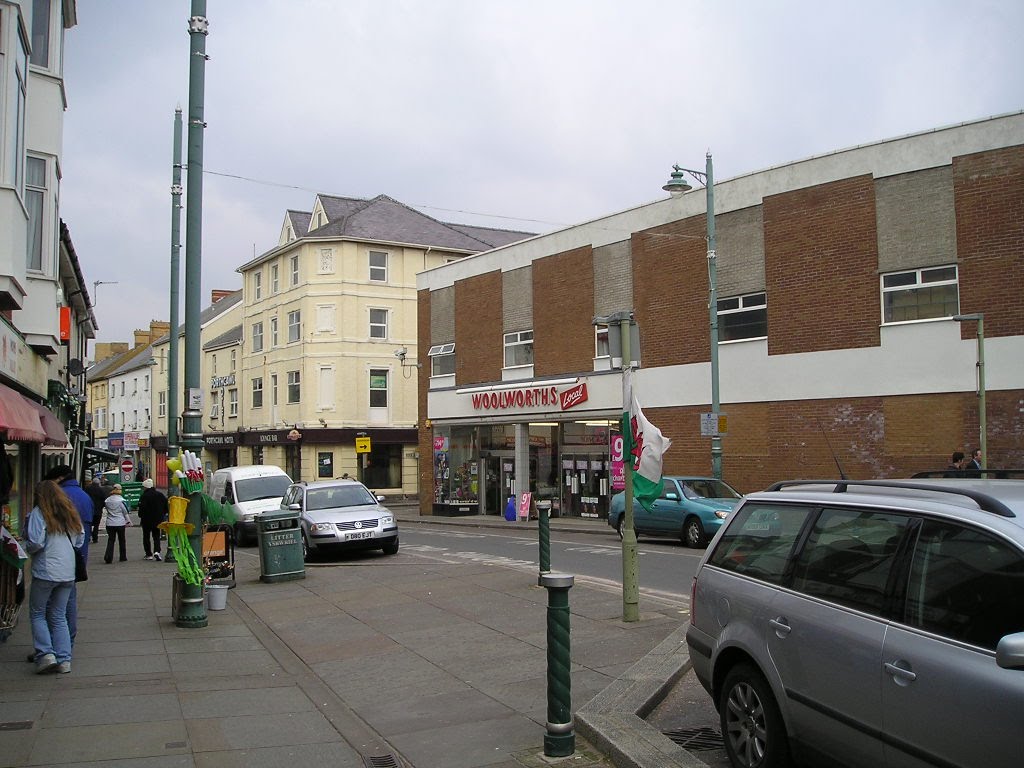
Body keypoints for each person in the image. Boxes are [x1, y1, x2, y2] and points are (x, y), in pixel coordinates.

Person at [25, 480, 84, 674]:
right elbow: (79, 539)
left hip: (46, 569)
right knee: (59, 615)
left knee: (37, 612)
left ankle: (45, 654)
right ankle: (64, 659)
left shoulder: (39, 513)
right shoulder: (69, 513)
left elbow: (35, 542)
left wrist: (28, 548)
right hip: (68, 570)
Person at [137, 478, 168, 561]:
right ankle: (157, 551)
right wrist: (162, 514)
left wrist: (140, 515)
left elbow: (141, 508)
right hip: (158, 519)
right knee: (156, 536)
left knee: (146, 537)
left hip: (146, 520)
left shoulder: (144, 496)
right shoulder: (160, 495)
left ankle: (148, 554)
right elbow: (166, 506)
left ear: (146, 487)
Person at [102, 484, 132, 563]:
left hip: (110, 523)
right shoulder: (121, 500)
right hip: (120, 522)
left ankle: (108, 557)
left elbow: (107, 510)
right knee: (122, 540)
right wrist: (128, 521)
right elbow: (125, 512)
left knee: (111, 540)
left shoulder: (107, 500)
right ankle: (123, 556)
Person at [86, 476, 109, 544]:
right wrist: (102, 507)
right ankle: (95, 538)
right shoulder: (100, 490)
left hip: (89, 510)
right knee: (96, 525)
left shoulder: (87, 489)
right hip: (98, 510)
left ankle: (88, 537)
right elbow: (103, 500)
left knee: (89, 525)